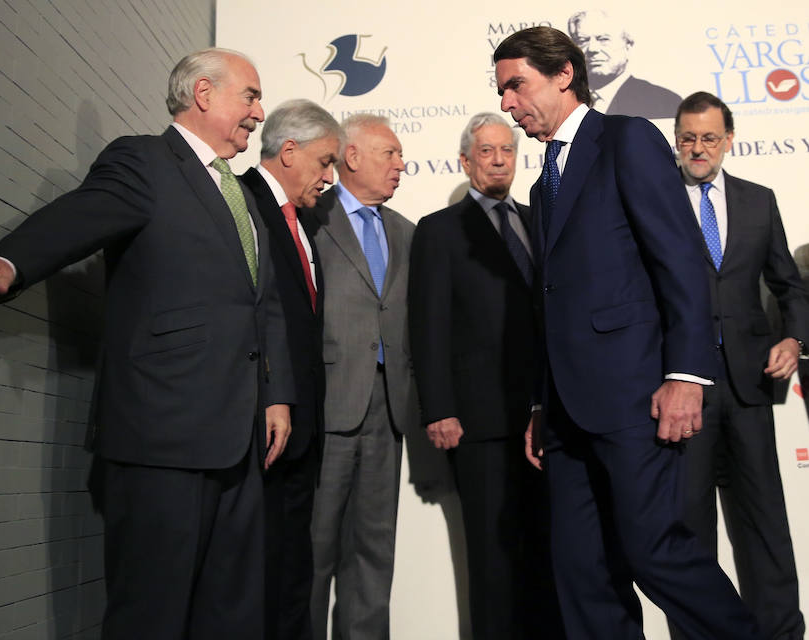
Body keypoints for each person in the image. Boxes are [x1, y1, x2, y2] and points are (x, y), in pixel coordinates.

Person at [0, 48, 294, 639]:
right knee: (151, 614)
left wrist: (277, 395)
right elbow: (79, 216)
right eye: (250, 96)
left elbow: (261, 305)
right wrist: (12, 260)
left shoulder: (240, 195)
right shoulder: (143, 160)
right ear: (205, 94)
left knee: (232, 614)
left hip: (239, 440)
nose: (259, 112)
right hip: (161, 436)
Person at [493, 26, 759, 639]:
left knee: (653, 551)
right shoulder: (541, 184)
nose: (507, 103)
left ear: (563, 74)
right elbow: (552, 303)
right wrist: (541, 400)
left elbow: (681, 259)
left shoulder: (627, 138)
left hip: (634, 396)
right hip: (565, 410)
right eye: (502, 90)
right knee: (582, 573)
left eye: (516, 85)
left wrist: (687, 374)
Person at [408, 112, 561, 639]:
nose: (498, 160)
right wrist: (439, 407)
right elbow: (427, 326)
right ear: (465, 161)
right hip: (478, 419)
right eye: (487, 151)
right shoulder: (439, 230)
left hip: (548, 414)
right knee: (493, 553)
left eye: (507, 151)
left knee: (549, 545)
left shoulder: (539, 220)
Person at [671, 91, 806, 640]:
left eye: (708, 137)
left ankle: (781, 634)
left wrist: (794, 338)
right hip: (684, 388)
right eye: (687, 138)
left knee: (765, 526)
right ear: (676, 141)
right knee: (690, 531)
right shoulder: (655, 201)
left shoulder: (758, 199)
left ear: (729, 139)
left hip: (752, 386)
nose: (697, 148)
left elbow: (789, 287)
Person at [303, 114, 417, 640]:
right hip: (325, 407)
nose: (401, 165)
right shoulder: (310, 216)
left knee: (374, 554)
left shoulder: (406, 232)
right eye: (389, 153)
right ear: (352, 156)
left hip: (388, 410)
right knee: (312, 551)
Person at [239, 99, 343, 640]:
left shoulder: (301, 223)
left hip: (301, 429)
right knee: (258, 569)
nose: (330, 177)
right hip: (259, 424)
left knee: (291, 565)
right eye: (325, 162)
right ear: (289, 151)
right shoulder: (238, 201)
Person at [567, 9, 681, 119]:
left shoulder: (664, 102)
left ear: (628, 45)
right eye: (582, 41)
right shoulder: (562, 100)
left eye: (603, 39)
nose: (592, 49)